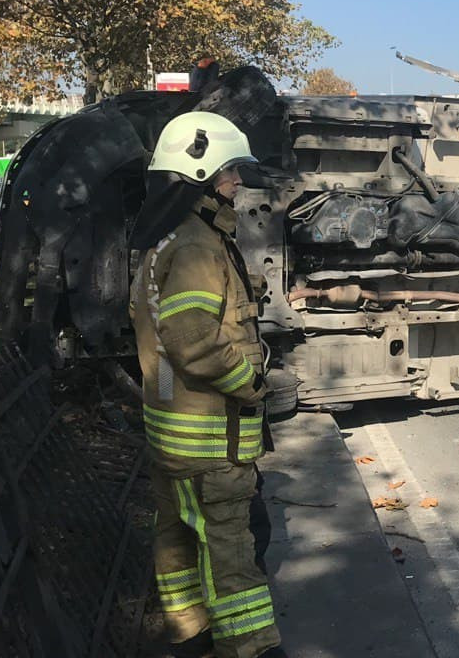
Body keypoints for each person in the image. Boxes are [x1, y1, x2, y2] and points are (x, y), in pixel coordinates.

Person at [129, 111, 285, 658]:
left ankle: (187, 634)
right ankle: (252, 649)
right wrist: (252, 385)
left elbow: (164, 343)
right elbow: (192, 337)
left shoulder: (161, 239)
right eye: (228, 172)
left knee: (176, 542)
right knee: (231, 552)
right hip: (209, 439)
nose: (236, 183)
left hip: (172, 433)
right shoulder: (197, 245)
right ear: (198, 174)